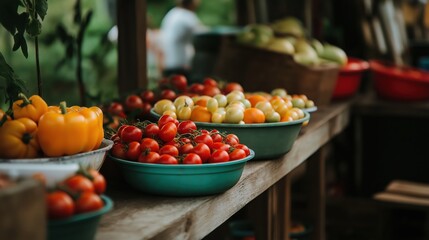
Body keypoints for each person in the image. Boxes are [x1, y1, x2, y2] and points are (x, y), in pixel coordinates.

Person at [160, 0, 208, 79]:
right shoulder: (187, 16)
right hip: (180, 65)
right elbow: (203, 34)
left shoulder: (172, 13)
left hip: (168, 62)